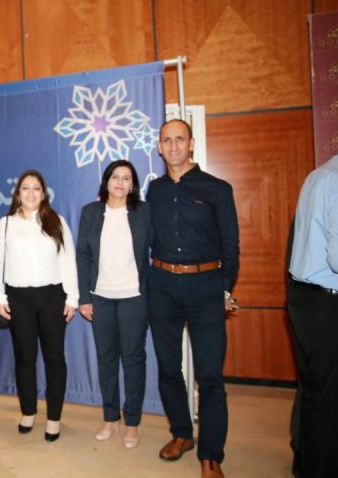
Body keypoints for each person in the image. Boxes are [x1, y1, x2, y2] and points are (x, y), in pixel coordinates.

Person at [147, 119, 239, 478]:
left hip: (205, 288)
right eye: (167, 140)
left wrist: (224, 289)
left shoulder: (217, 188)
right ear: (159, 147)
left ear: (191, 144)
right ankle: (182, 434)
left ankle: (211, 454)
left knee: (210, 374)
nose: (173, 146)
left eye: (179, 139)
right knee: (169, 368)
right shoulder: (154, 191)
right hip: (162, 286)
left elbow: (231, 245)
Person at [0, 169, 78, 442]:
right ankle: (28, 411)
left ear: (44, 194)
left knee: (55, 357)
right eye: (25, 188)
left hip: (52, 297)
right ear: (17, 194)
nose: (31, 194)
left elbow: (68, 260)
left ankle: (54, 417)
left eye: (36, 188)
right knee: (25, 357)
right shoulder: (5, 224)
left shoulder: (57, 221)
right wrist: (0, 297)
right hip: (18, 299)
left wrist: (72, 298)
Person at [76, 160, 151, 449]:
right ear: (106, 181)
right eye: (115, 177)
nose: (120, 182)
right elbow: (83, 255)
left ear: (133, 185)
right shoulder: (91, 212)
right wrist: (84, 298)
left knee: (133, 359)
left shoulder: (144, 212)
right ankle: (110, 418)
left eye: (126, 178)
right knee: (106, 359)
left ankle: (132, 422)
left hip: (134, 297)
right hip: (101, 297)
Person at [288, 147, 338, 478]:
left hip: (304, 299)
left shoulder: (319, 174)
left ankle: (306, 465)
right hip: (329, 302)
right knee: (332, 403)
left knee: (313, 395)